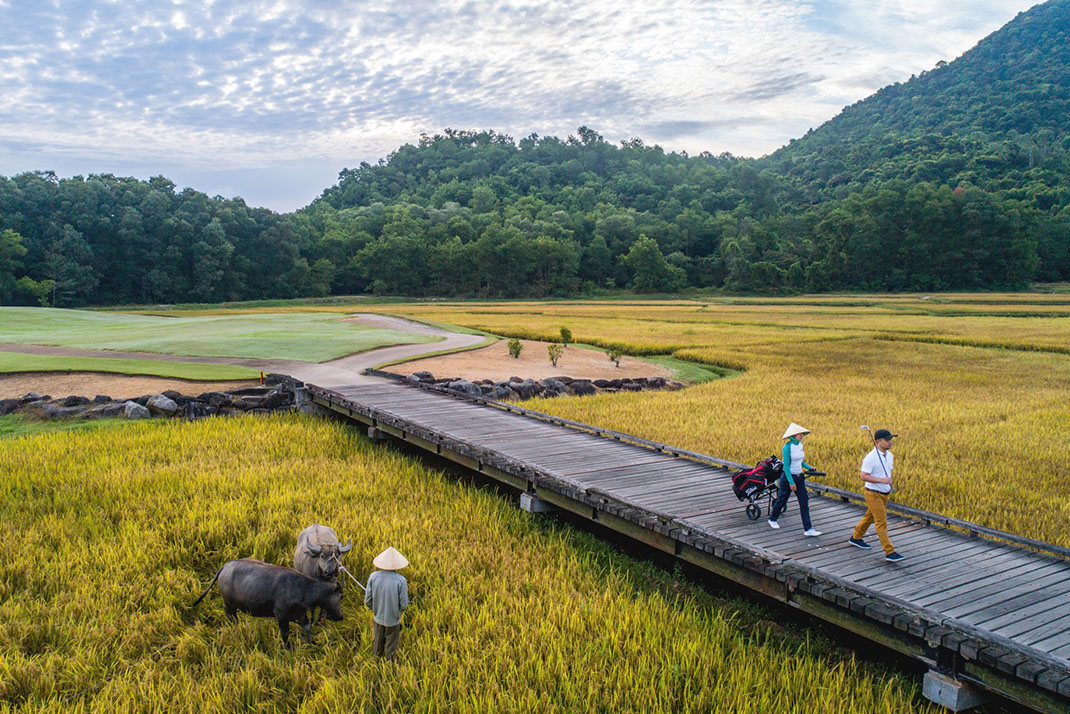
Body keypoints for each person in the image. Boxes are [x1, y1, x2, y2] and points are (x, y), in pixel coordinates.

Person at [849, 429, 905, 562]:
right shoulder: (871, 457)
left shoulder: (889, 455)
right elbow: (863, 476)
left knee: (870, 516)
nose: (890, 442)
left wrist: (886, 484)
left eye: (891, 439)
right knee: (881, 522)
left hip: (884, 493)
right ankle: (890, 551)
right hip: (873, 494)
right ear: (878, 441)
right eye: (887, 440)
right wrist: (881, 481)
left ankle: (856, 537)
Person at [768, 422, 821, 536]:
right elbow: (786, 466)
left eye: (801, 434)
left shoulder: (800, 445)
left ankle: (808, 529)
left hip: (799, 477)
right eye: (798, 434)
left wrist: (808, 467)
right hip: (788, 478)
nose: (800, 436)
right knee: (782, 500)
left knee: (804, 502)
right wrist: (791, 482)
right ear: (792, 436)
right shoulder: (787, 447)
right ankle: (772, 518)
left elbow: (799, 461)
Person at [364, 546, 410, 659]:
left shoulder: (373, 577)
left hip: (377, 617)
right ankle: (390, 667)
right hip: (393, 620)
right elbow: (404, 604)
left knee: (377, 643)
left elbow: (368, 599)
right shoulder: (401, 580)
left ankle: (376, 663)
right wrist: (398, 611)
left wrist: (374, 609)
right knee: (391, 646)